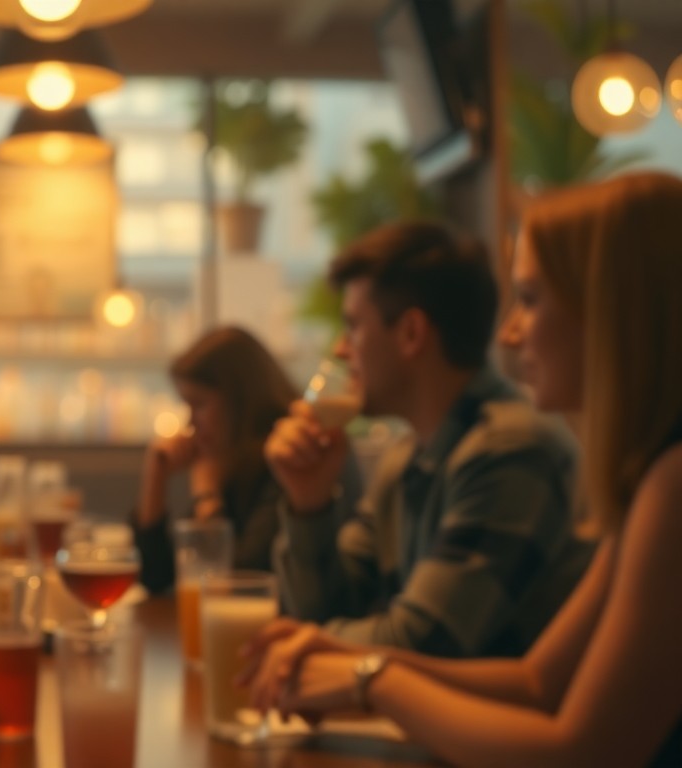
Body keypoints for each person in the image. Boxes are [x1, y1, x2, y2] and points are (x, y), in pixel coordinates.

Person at [245, 172, 682, 767]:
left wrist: (371, 678)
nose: (510, 332)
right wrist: (310, 513)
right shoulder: (646, 479)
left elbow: (584, 751)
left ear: (609, 307)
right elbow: (536, 683)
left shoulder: (664, 482)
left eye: (530, 299)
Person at [264, 220, 591, 657]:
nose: (342, 350)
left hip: (495, 725)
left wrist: (301, 643)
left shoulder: (512, 449)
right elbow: (324, 612)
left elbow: (423, 643)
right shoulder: (407, 459)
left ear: (411, 334)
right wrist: (309, 504)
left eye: (354, 328)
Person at [132, 327, 356, 594]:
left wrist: (207, 495)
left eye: (199, 405)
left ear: (240, 401)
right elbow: (156, 576)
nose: (190, 422)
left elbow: (237, 584)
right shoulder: (228, 459)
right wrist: (155, 477)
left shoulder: (295, 455)